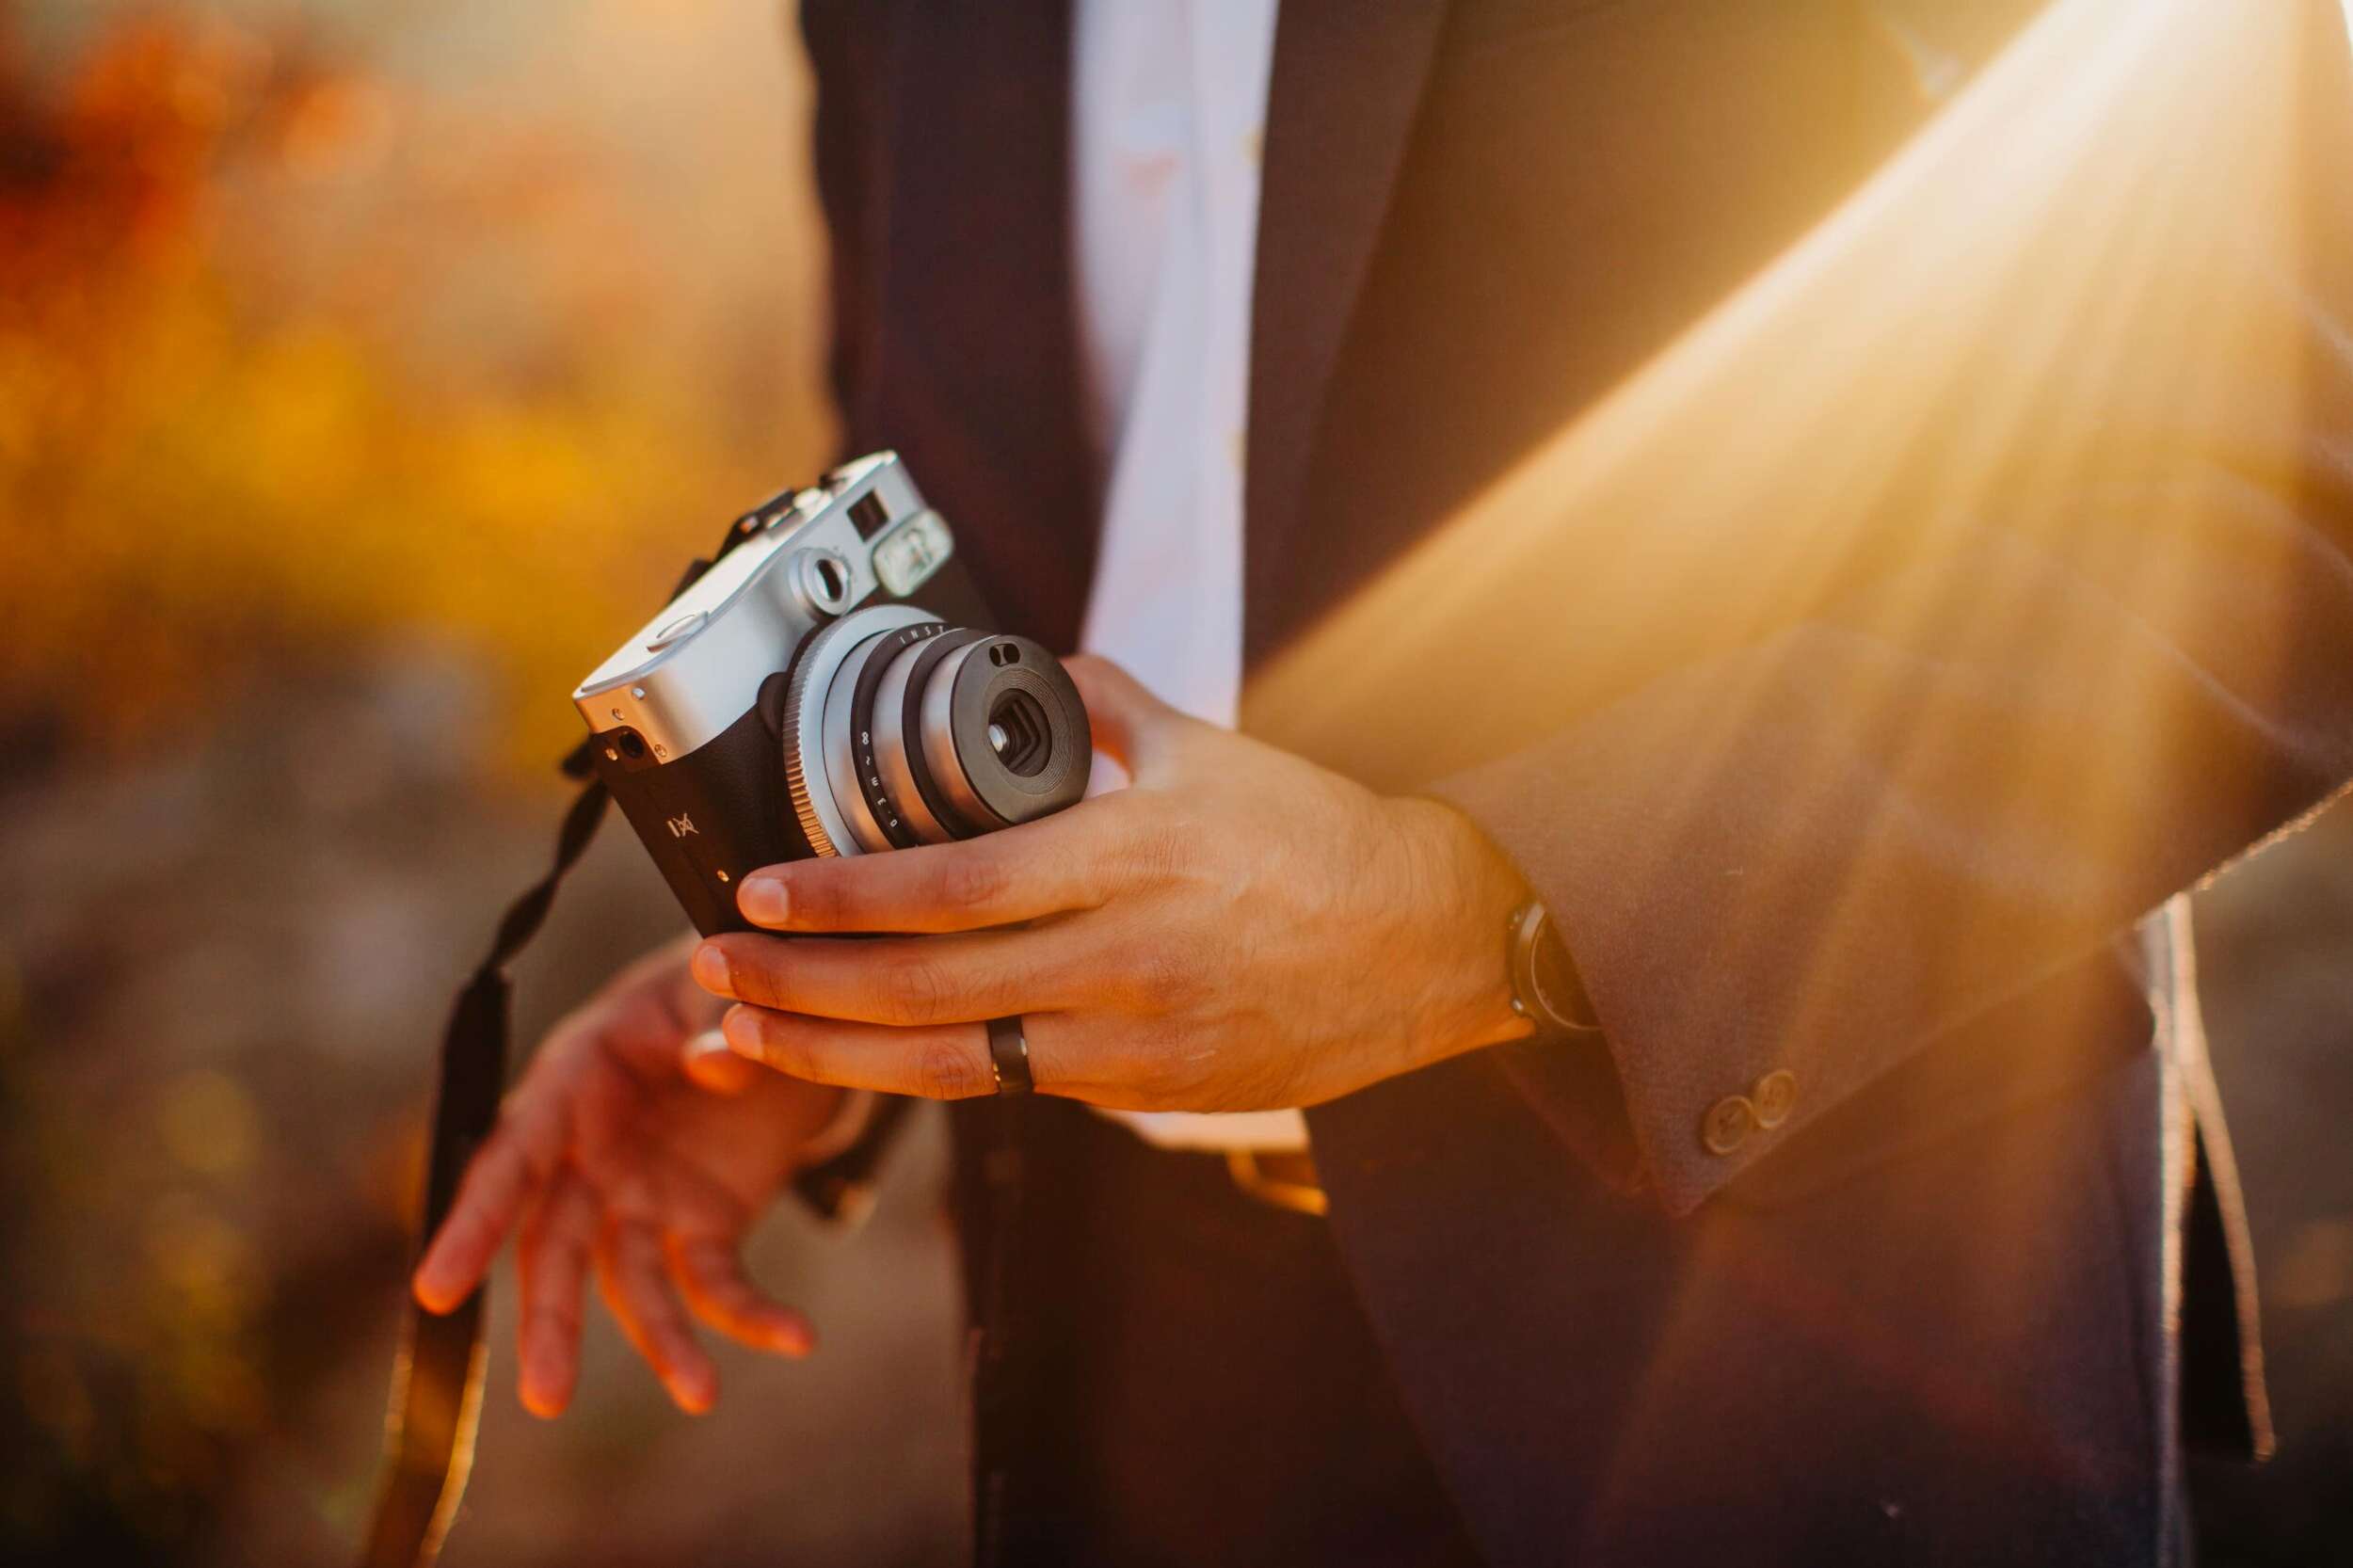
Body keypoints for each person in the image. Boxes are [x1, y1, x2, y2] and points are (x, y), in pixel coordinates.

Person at [410, 2, 2353, 1562]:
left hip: (1798, 1340)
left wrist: (1470, 912)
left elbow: (2271, 504)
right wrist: (806, 982)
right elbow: (952, 530)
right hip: (1147, 1368)